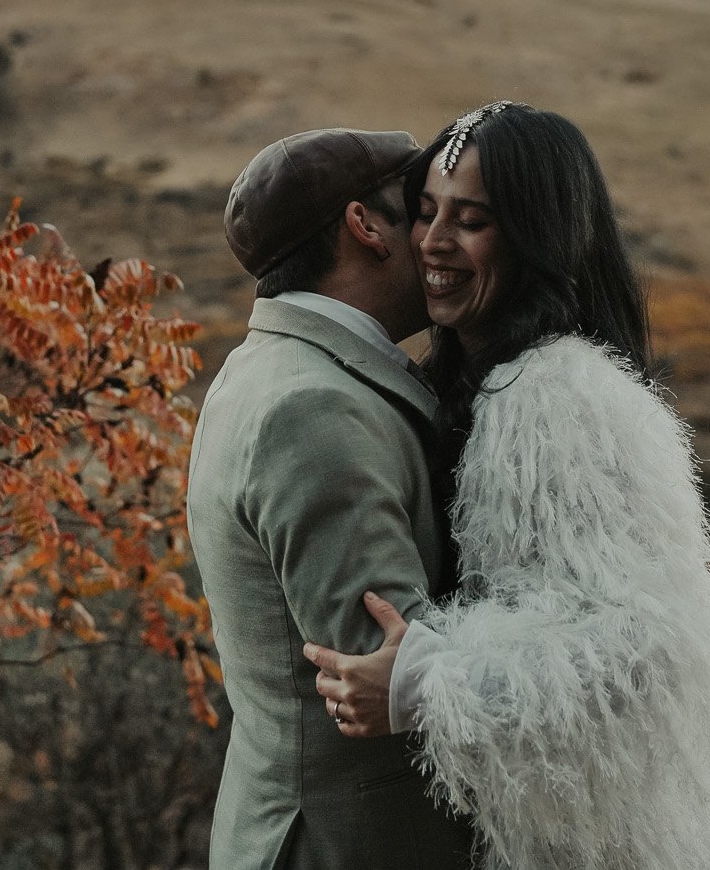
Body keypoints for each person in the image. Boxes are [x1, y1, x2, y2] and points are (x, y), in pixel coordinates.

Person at [303, 102, 710, 870]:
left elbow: (650, 653)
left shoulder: (562, 395)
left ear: (537, 237)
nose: (433, 241)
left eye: (473, 219)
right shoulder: (478, 385)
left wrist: (430, 682)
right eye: (425, 212)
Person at [188, 127, 478, 870]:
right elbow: (393, 674)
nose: (436, 237)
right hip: (351, 845)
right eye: (419, 209)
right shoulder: (314, 409)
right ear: (365, 226)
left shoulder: (267, 368)